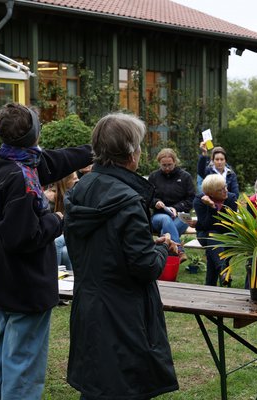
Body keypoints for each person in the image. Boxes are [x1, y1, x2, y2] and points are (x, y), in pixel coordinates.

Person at [0, 102, 92, 399]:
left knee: (0, 362)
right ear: (34, 133)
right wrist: (57, 219)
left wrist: (91, 150)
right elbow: (22, 237)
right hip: (25, 288)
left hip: (4, 284)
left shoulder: (5, 162)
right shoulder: (21, 178)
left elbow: (53, 162)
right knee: (23, 371)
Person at [64, 112, 179, 399]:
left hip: (89, 306)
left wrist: (146, 241)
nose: (141, 152)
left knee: (96, 388)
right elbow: (145, 266)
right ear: (130, 153)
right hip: (122, 315)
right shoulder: (128, 200)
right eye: (139, 145)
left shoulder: (81, 190)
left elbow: (101, 242)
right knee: (123, 389)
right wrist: (163, 246)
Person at [148, 148, 195, 262]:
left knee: (166, 232)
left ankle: (166, 251)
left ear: (175, 162)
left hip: (183, 215)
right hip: (159, 215)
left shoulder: (185, 177)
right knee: (165, 219)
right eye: (164, 165)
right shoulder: (154, 177)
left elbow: (191, 200)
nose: (167, 168)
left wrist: (176, 208)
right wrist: (156, 202)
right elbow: (147, 198)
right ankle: (180, 251)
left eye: (169, 165)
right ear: (159, 163)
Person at [194, 174, 238, 286]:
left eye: (225, 186)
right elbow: (205, 225)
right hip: (205, 235)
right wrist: (212, 207)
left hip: (227, 235)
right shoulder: (200, 200)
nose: (225, 191)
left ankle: (215, 280)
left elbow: (229, 225)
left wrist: (203, 224)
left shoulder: (231, 199)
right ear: (211, 193)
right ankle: (223, 271)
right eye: (221, 190)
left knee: (212, 248)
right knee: (212, 235)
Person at [46, 172, 80, 270]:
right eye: (74, 179)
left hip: (72, 232)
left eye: (77, 177)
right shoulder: (51, 197)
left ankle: (54, 273)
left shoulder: (77, 193)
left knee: (58, 242)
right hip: (59, 232)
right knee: (65, 252)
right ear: (66, 181)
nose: (77, 181)